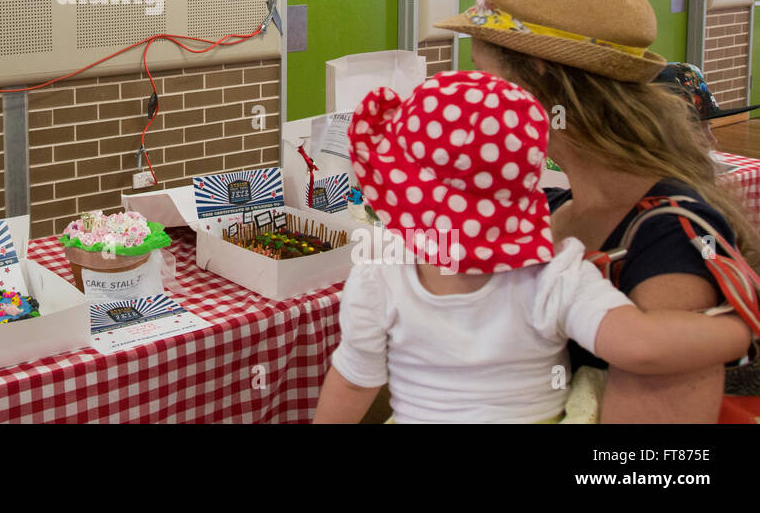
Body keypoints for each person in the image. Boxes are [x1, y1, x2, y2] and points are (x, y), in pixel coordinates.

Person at [312, 70, 753, 423]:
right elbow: (642, 347)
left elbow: (353, 382)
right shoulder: (555, 272)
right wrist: (742, 326)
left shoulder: (380, 274)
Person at [433, 0, 760, 422]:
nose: (470, 95)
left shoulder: (669, 240)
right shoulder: (553, 206)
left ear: (538, 76)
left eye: (481, 74)